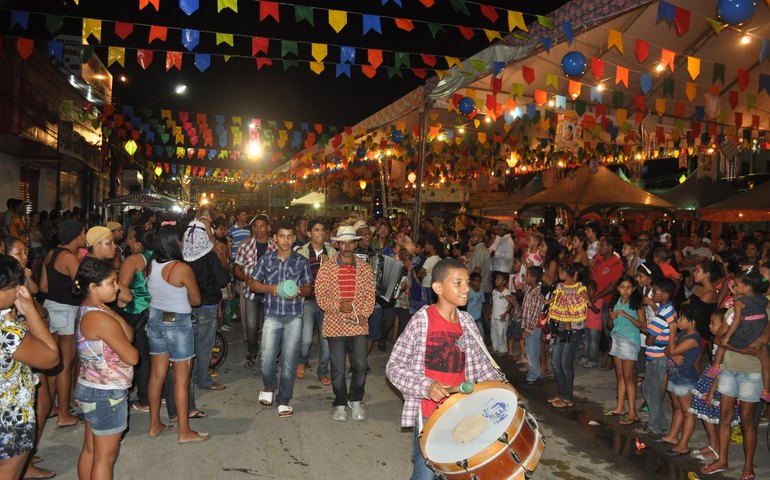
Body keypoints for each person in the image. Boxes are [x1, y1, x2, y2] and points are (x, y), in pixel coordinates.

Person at [386, 258, 503, 480]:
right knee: (425, 474)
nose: (466, 288)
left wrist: (505, 393)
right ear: (438, 287)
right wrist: (427, 385)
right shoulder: (422, 321)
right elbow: (394, 366)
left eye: (467, 282)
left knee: (459, 472)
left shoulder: (467, 322)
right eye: (458, 283)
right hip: (430, 414)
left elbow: (483, 366)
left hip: (462, 412)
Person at [73, 258, 138, 480]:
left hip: (91, 387)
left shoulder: (91, 309)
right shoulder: (98, 317)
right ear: (93, 287)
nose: (117, 287)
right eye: (111, 282)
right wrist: (109, 315)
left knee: (91, 450)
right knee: (105, 458)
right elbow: (132, 356)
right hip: (107, 393)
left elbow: (128, 333)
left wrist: (110, 311)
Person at [145, 225, 208, 444]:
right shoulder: (180, 268)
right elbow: (197, 300)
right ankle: (184, 431)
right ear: (174, 242)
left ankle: (154, 424)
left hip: (155, 319)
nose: (183, 243)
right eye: (181, 240)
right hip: (177, 323)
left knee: (157, 375)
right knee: (182, 379)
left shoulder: (150, 265)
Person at [0, 256, 58, 480]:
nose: (18, 291)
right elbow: (51, 357)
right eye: (15, 286)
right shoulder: (7, 332)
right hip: (9, 419)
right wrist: (29, 309)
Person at [248, 220, 312, 417]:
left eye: (289, 236)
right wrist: (271, 289)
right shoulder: (266, 260)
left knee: (289, 360)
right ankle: (269, 387)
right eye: (281, 236)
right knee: (267, 358)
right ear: (275, 238)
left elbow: (309, 287)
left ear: (294, 239)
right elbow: (252, 284)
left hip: (294, 316)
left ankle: (284, 399)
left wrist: (299, 291)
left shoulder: (301, 261)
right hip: (272, 314)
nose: (285, 240)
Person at [315, 226, 375, 421]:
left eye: (351, 241)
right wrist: (337, 305)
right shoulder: (327, 268)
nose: (348, 245)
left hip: (358, 323)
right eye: (344, 242)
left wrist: (364, 314)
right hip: (334, 323)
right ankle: (340, 403)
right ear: (338, 244)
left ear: (356, 243)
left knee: (360, 365)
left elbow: (369, 295)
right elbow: (320, 296)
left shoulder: (365, 269)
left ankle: (355, 400)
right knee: (338, 368)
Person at [39, 219, 86, 428]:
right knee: (66, 365)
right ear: (76, 235)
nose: (85, 236)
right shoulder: (69, 258)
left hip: (51, 308)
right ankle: (64, 414)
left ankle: (51, 407)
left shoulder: (52, 253)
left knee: (54, 362)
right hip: (67, 311)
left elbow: (43, 285)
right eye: (83, 233)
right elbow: (83, 287)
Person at [182, 213, 230, 391]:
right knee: (205, 346)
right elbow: (222, 278)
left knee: (191, 344)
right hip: (208, 306)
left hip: (187, 305)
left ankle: (193, 376)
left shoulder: (183, 256)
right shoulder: (209, 257)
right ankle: (203, 380)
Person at [687, 308, 739, 465]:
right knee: (706, 413)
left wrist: (711, 390)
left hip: (717, 382)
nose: (710, 326)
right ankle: (713, 444)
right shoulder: (716, 340)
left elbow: (721, 367)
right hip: (710, 378)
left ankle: (717, 450)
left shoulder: (726, 342)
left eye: (713, 323)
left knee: (715, 415)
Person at [712, 269, 770, 402]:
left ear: (747, 287)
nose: (734, 289)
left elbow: (763, 339)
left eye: (736, 285)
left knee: (747, 418)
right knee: (766, 362)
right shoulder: (762, 302)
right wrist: (746, 349)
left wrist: (728, 339)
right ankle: (766, 390)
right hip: (731, 367)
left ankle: (716, 365)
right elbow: (717, 339)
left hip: (751, 371)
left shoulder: (739, 305)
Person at [117, 225, 155, 412]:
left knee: (140, 356)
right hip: (156, 309)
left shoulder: (133, 260)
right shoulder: (157, 256)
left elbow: (122, 290)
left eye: (130, 240)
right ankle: (157, 393)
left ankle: (145, 399)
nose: (127, 242)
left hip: (136, 311)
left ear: (139, 244)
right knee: (155, 354)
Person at [295, 218, 337, 384]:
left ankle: (322, 371)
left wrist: (330, 267)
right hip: (308, 301)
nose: (320, 233)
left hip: (326, 302)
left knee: (326, 340)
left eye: (322, 230)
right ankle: (302, 361)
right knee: (306, 339)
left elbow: (338, 279)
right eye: (316, 230)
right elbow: (297, 277)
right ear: (309, 233)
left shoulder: (333, 253)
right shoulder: (301, 252)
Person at [233, 214, 276, 368]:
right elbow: (236, 269)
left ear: (269, 227)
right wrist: (246, 279)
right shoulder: (245, 246)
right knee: (251, 326)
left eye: (262, 226)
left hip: (270, 293)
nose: (259, 230)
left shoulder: (276, 247)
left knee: (269, 326)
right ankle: (252, 352)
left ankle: (268, 355)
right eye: (255, 227)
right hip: (251, 293)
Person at [659, 304, 702, 456]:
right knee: (677, 408)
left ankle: (683, 444)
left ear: (692, 322)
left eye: (682, 318)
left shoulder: (693, 339)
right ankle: (673, 436)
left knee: (688, 412)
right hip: (675, 376)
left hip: (685, 379)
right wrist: (672, 353)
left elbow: (672, 349)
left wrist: (672, 332)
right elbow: (666, 350)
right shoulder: (682, 334)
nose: (678, 321)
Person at [547, 262, 591, 408]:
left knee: (566, 363)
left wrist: (587, 300)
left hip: (574, 330)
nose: (560, 273)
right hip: (560, 328)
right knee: (555, 362)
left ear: (573, 274)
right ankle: (561, 394)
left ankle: (568, 398)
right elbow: (555, 300)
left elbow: (587, 304)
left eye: (563, 270)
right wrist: (548, 302)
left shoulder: (579, 287)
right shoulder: (560, 287)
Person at [604, 274, 646, 425]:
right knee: (620, 376)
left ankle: (633, 413)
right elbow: (609, 325)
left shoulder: (637, 304)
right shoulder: (615, 302)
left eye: (628, 287)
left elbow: (643, 326)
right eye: (622, 287)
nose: (625, 291)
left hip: (630, 341)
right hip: (617, 338)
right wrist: (611, 317)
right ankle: (620, 407)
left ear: (634, 289)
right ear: (618, 288)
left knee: (629, 378)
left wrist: (627, 316)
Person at [639, 277, 677, 435]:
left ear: (665, 294)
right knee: (649, 389)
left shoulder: (661, 316)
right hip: (661, 355)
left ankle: (655, 425)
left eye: (655, 291)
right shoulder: (668, 310)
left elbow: (649, 339)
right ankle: (659, 421)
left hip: (657, 356)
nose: (652, 294)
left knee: (652, 391)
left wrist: (645, 329)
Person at [519, 266, 545, 388]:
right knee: (530, 351)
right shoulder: (530, 289)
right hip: (528, 326)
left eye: (528, 275)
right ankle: (532, 375)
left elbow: (535, 313)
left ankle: (533, 378)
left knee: (532, 352)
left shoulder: (537, 293)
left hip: (532, 328)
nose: (526, 277)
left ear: (533, 278)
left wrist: (528, 330)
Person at [490, 271, 516, 355]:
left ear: (504, 281)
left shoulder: (506, 292)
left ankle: (503, 350)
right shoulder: (494, 291)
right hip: (495, 315)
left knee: (501, 333)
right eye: (496, 279)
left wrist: (505, 314)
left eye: (498, 279)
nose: (496, 280)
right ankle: (495, 347)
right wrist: (491, 312)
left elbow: (511, 303)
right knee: (494, 332)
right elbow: (493, 302)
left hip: (502, 316)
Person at [466, 272, 485, 337]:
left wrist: (485, 315)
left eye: (479, 281)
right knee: (471, 336)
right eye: (475, 281)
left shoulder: (481, 291)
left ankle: (481, 346)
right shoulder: (468, 291)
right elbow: (464, 305)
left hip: (478, 317)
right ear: (471, 281)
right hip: (469, 318)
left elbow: (482, 303)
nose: (478, 283)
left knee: (481, 335)